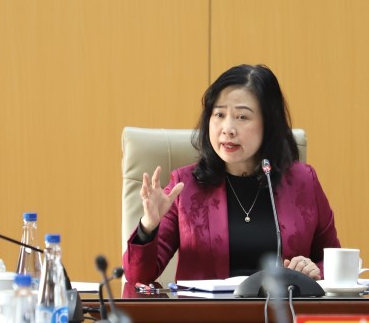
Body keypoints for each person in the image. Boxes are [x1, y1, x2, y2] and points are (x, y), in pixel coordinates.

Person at [123, 64, 340, 284]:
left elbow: (334, 263)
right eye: (219, 114)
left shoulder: (304, 182)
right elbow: (137, 277)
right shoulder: (185, 186)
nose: (228, 129)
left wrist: (314, 270)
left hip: (282, 306)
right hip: (208, 308)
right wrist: (148, 226)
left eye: (242, 117)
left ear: (269, 123)